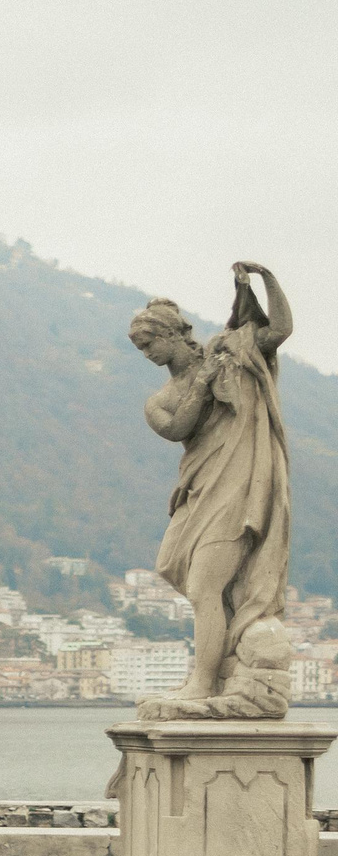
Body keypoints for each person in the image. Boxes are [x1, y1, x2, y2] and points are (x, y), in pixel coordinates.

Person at [128, 262, 291, 703]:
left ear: (175, 333)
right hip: (201, 485)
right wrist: (202, 381)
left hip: (238, 479)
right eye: (141, 349)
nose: (147, 354)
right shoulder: (159, 400)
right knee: (170, 565)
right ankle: (220, 654)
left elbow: (278, 330)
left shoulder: (230, 353)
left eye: (150, 343)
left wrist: (265, 280)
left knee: (203, 587)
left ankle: (204, 682)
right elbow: (180, 427)